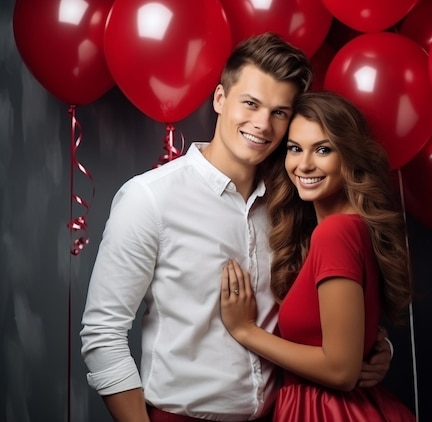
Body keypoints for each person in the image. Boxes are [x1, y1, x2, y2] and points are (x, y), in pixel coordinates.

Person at [80, 33, 392, 422]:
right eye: (250, 103)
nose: (262, 125)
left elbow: (324, 309)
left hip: (285, 414)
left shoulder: (296, 199)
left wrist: (379, 349)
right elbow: (102, 335)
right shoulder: (150, 199)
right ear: (220, 99)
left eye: (279, 112)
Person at [220, 91, 416, 421]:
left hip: (328, 411)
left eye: (323, 149)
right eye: (295, 148)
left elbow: (341, 371)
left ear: (349, 155)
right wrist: (382, 348)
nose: (304, 164)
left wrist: (245, 331)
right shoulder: (352, 227)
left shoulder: (334, 233)